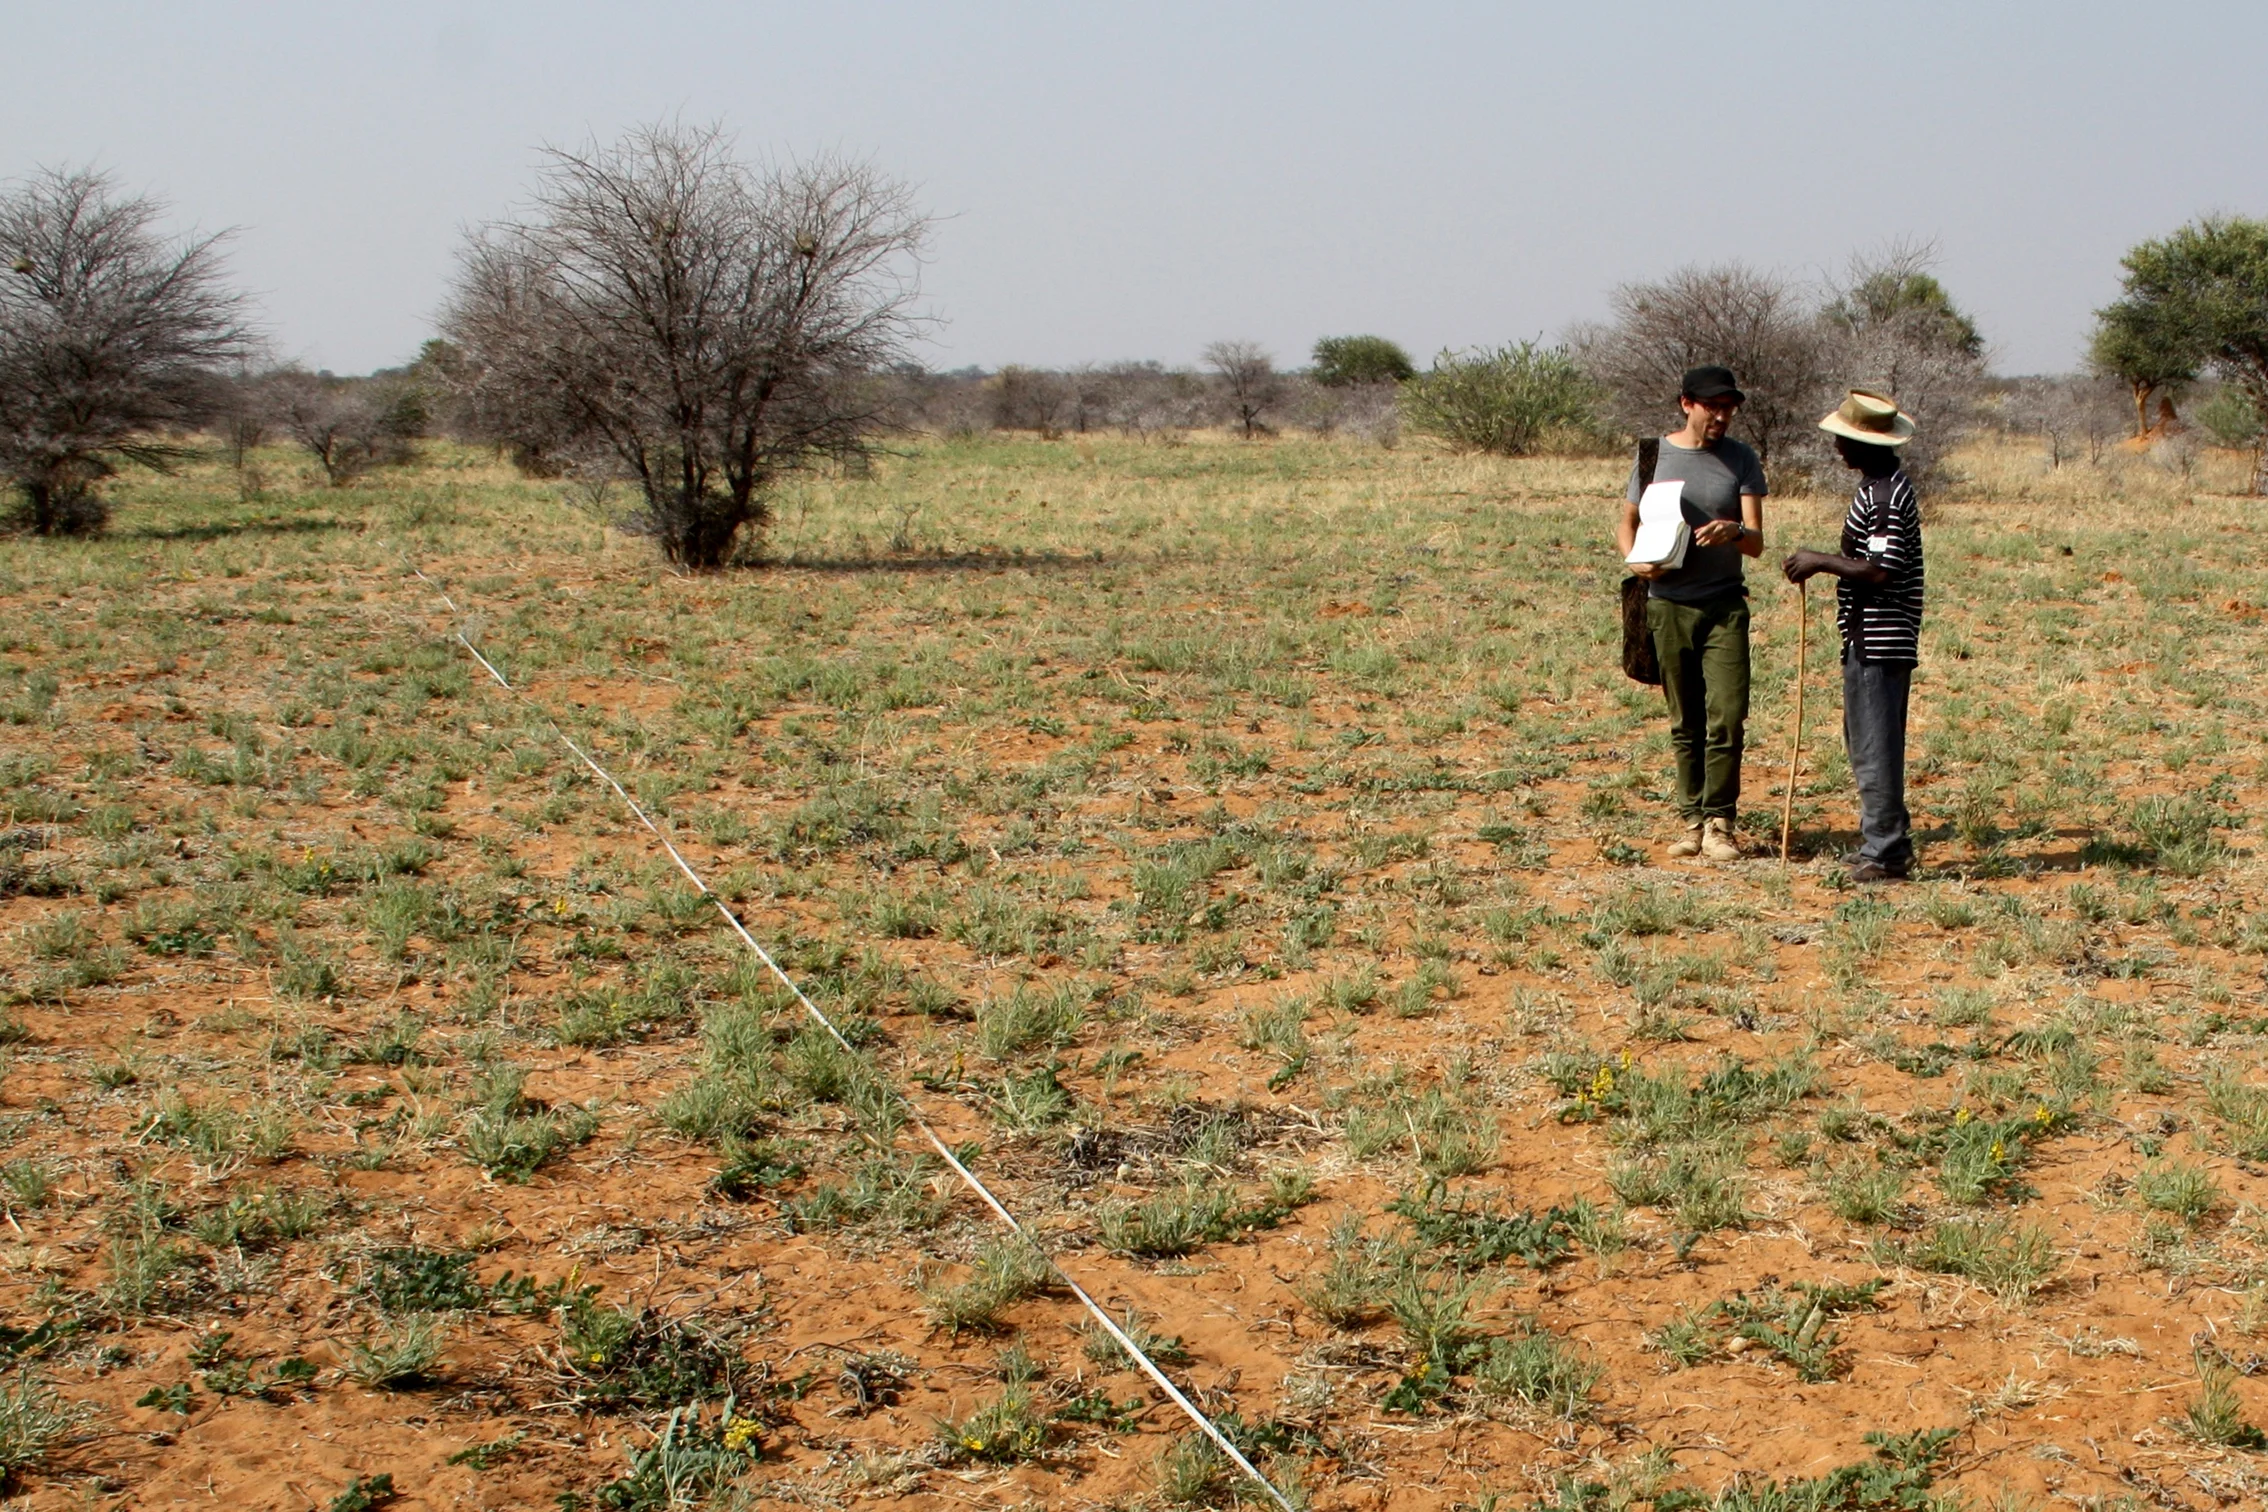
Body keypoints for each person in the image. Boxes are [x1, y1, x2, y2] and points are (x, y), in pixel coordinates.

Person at [1618, 365, 1767, 862]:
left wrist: (1734, 532)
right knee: (1686, 720)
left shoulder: (1742, 458)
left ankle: (1721, 823)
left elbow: (1757, 542)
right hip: (1667, 606)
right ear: (1687, 404)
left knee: (1727, 715)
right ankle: (1691, 820)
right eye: (1713, 407)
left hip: (1724, 605)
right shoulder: (1652, 455)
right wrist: (1636, 563)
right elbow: (1627, 524)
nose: (1722, 417)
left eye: (1729, 408)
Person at [1782, 390, 1925, 882]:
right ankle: (1884, 840)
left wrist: (1819, 561)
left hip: (1880, 638)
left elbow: (1882, 571)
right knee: (1868, 740)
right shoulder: (1882, 487)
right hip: (1876, 636)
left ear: (1867, 444)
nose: (1837, 446)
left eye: (1844, 438)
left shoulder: (1883, 495)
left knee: (1874, 744)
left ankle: (1884, 852)